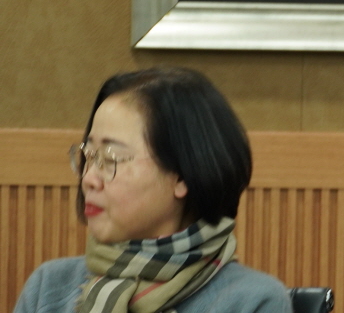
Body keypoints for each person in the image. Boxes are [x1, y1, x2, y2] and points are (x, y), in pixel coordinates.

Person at [14, 67, 293, 313]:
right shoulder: (48, 288)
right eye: (88, 156)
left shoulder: (252, 301)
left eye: (111, 158)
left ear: (182, 175)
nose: (88, 179)